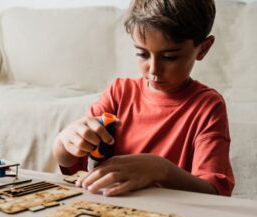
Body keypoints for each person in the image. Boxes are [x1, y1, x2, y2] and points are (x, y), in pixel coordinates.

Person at [53, 0, 235, 197]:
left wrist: (161, 170)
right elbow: (74, 168)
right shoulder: (119, 93)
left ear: (203, 48)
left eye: (169, 57)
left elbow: (215, 192)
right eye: (142, 54)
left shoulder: (208, 107)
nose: (154, 70)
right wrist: (63, 143)